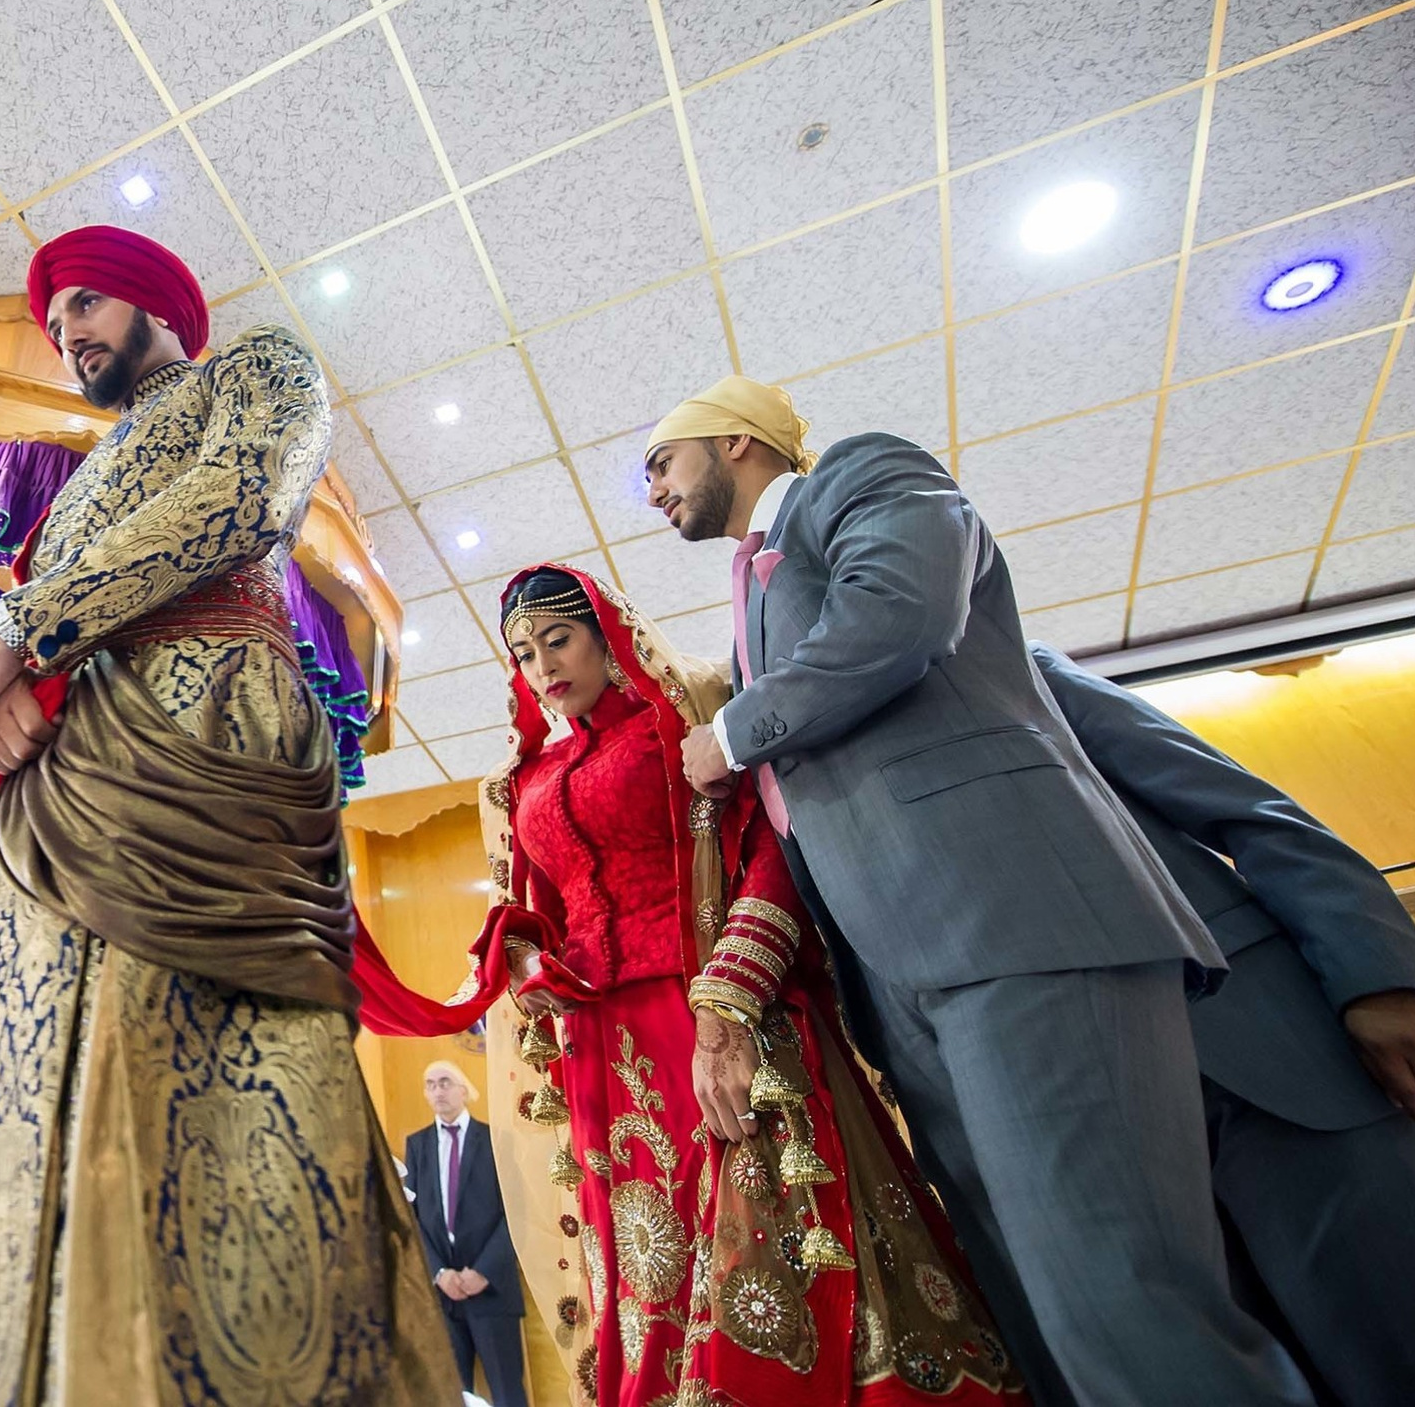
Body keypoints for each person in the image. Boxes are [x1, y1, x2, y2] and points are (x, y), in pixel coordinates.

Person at [0, 227, 457, 1404]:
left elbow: (239, 497)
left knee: (197, 1071)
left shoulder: (252, 367)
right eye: (56, 328)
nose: (69, 339)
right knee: (3, 1079)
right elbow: (47, 618)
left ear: (160, 304)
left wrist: (12, 638)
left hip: (199, 735)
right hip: (57, 789)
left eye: (88, 309)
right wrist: (9, 677)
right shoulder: (79, 484)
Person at [649, 375, 1311, 1407]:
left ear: (734, 441)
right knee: (1031, 1309)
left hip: (1010, 923)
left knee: (1122, 1298)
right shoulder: (754, 599)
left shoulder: (859, 474)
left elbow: (902, 609)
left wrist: (732, 733)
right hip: (901, 977)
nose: (651, 490)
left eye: (660, 461)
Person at [356, 565, 1022, 1407]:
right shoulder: (525, 777)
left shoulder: (693, 721)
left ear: (609, 634)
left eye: (557, 639)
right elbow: (543, 912)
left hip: (704, 1009)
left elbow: (772, 851)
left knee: (763, 1228)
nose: (542, 665)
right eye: (523, 653)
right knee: (646, 1252)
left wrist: (733, 996)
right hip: (599, 1042)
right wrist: (525, 960)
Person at [1031, 642, 1415, 1406]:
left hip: (1275, 1060)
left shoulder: (1004, 658)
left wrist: (1376, 975)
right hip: (1089, 1162)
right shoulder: (792, 805)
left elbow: (1248, 808)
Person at [403, 1062, 525, 1407]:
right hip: (442, 1295)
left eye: (445, 1082)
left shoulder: (494, 1141)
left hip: (492, 1289)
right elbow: (411, 1217)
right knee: (450, 1395)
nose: (438, 1091)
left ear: (464, 1090)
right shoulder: (417, 1145)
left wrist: (483, 1271)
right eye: (430, 1084)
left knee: (507, 1393)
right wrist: (439, 1272)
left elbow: (515, 1214)